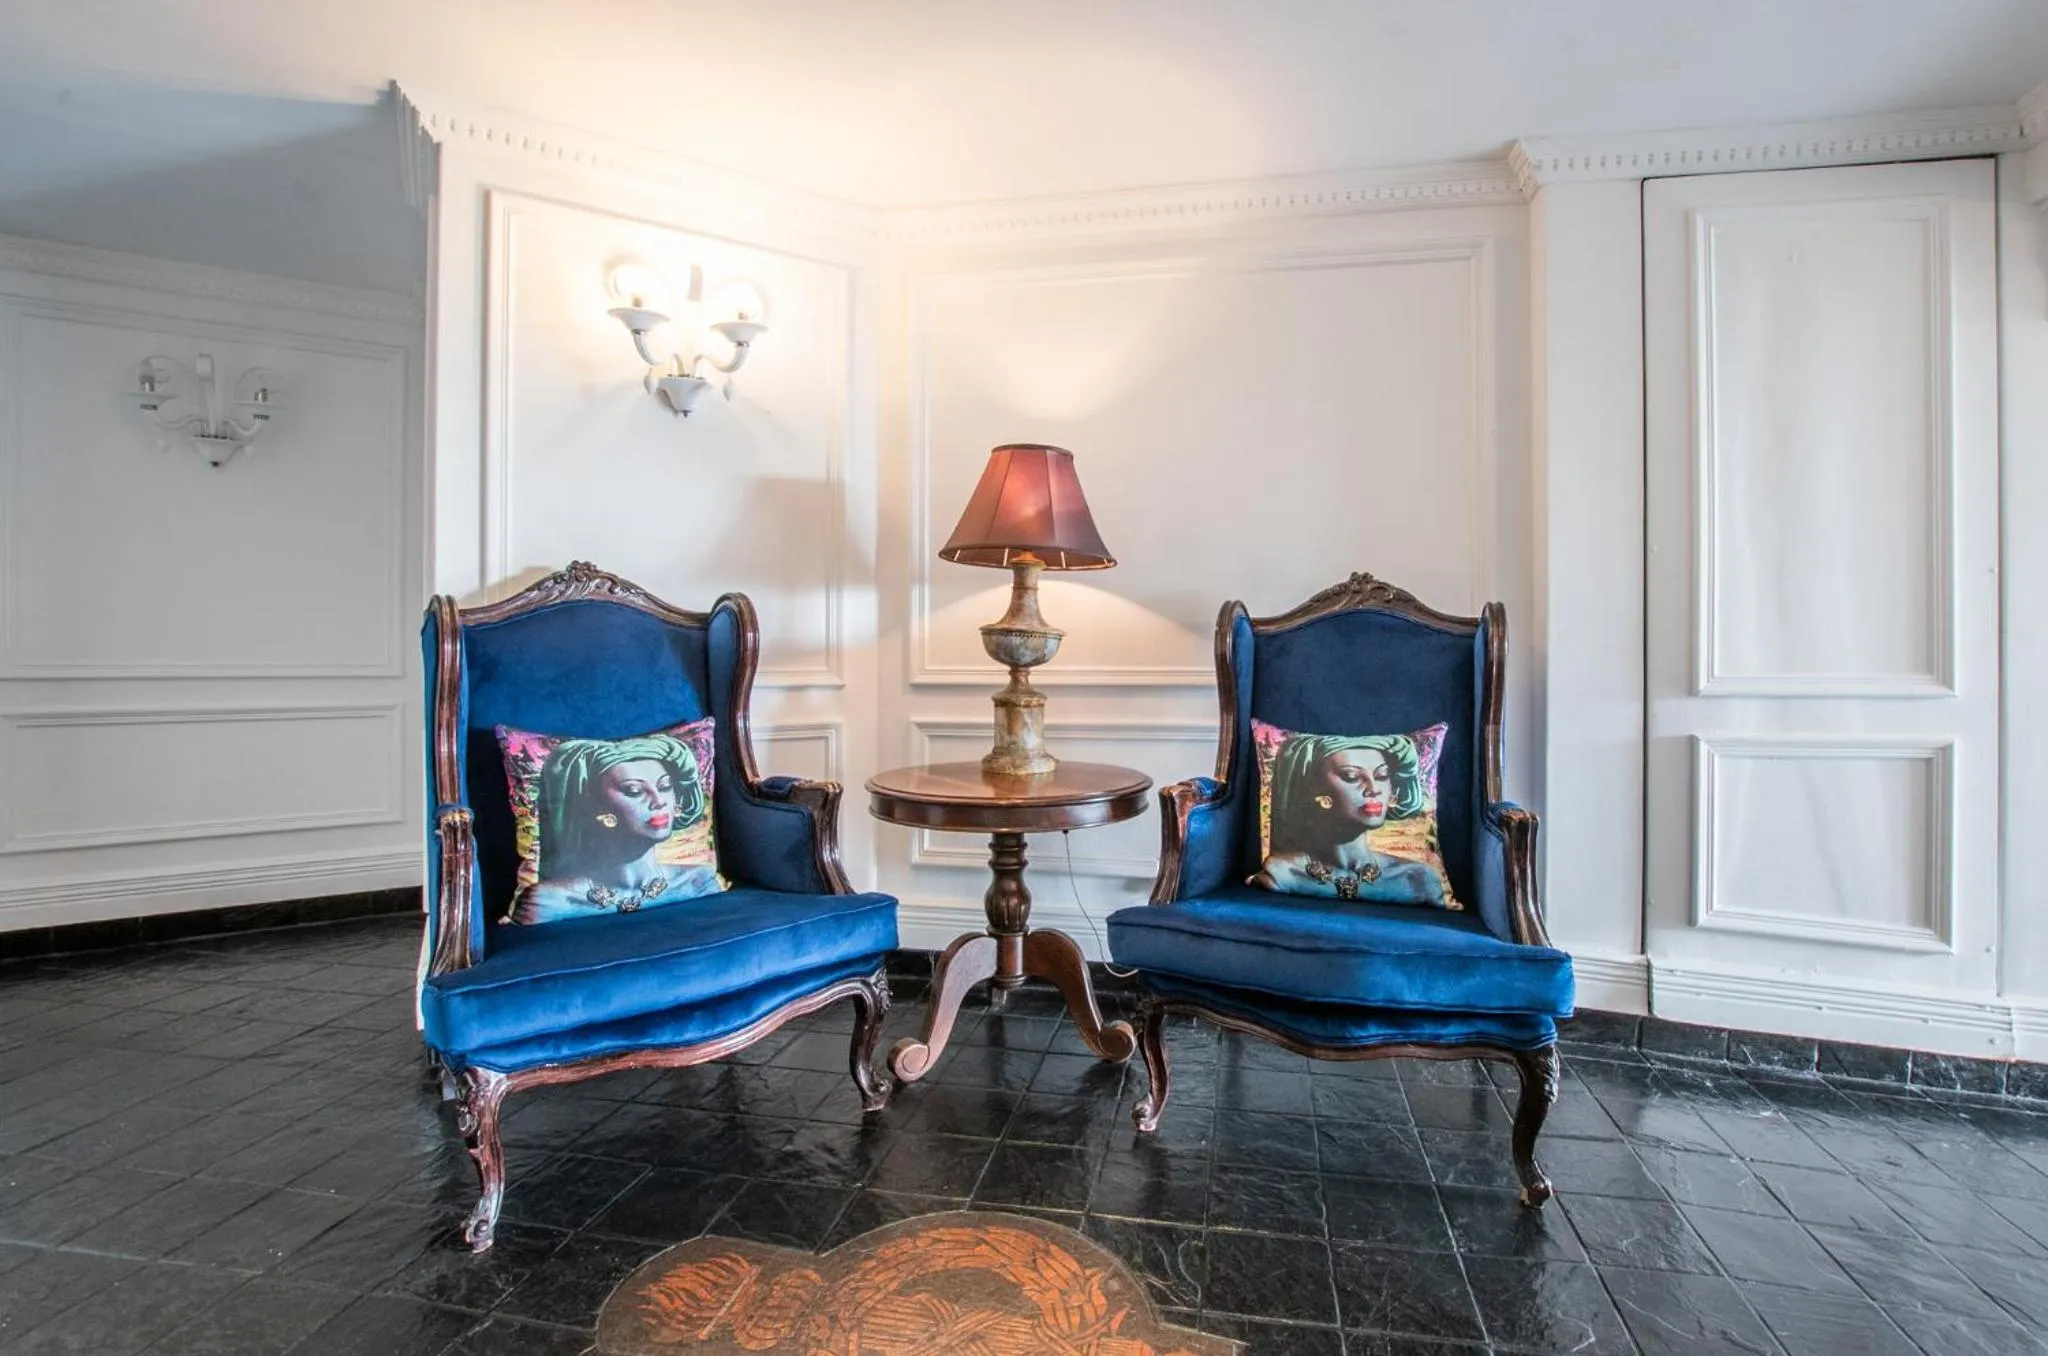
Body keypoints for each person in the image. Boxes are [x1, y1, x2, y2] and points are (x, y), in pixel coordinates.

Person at [514, 732, 720, 924]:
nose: (658, 801)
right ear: (593, 806)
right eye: (634, 790)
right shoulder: (548, 901)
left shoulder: (698, 881)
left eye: (665, 787)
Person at [1253, 731, 1446, 905]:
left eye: (1382, 775)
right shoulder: (1282, 874)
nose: (1374, 789)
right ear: (1314, 789)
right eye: (1351, 777)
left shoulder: (1418, 879)